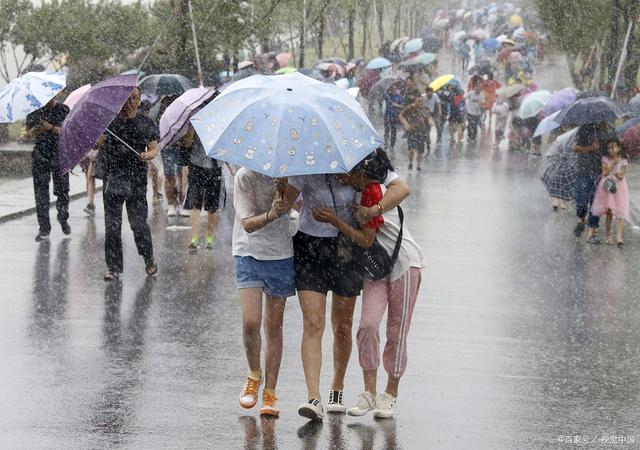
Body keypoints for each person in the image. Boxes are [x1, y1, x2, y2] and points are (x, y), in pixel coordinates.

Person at [283, 166, 410, 421]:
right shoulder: (307, 162)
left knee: (342, 325)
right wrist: (280, 190)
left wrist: (372, 210)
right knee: (313, 322)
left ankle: (337, 386)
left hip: (347, 248)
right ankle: (313, 397)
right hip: (311, 246)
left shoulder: (357, 162)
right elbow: (286, 204)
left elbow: (399, 188)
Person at [312, 151, 424, 419]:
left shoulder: (374, 191)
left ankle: (390, 394)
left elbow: (364, 239)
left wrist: (340, 220)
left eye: (346, 172)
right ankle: (368, 393)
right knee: (368, 326)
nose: (340, 176)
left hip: (404, 265)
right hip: (376, 268)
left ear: (361, 172)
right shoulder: (358, 190)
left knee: (396, 332)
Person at [233, 169, 293, 417]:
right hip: (248, 252)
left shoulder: (294, 175)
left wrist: (286, 190)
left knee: (273, 326)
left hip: (280, 255)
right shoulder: (245, 176)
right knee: (251, 322)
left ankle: (270, 391)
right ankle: (253, 373)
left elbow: (302, 205)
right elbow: (247, 224)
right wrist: (271, 213)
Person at [99, 88, 159, 280]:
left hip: (136, 181)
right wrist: (99, 136)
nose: (129, 102)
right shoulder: (109, 121)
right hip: (113, 179)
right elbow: (98, 144)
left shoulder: (145, 122)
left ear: (139, 99)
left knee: (139, 225)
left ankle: (148, 258)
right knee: (112, 226)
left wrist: (147, 155)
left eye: (133, 98)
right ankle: (113, 267)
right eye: (126, 98)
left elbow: (153, 148)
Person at [25, 97, 71, 241]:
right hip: (40, 156)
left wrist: (50, 127)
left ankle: (63, 218)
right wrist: (35, 130)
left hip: (60, 155)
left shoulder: (63, 109)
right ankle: (44, 228)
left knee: (62, 190)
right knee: (40, 194)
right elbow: (28, 134)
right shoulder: (34, 112)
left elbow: (68, 131)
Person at [180, 125, 222, 250]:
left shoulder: (199, 120)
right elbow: (186, 144)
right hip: (198, 166)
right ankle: (195, 239)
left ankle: (208, 239)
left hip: (213, 166)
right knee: (197, 205)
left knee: (211, 207)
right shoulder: (196, 121)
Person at [573, 122, 616, 244]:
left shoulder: (611, 130)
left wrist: (614, 158)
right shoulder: (585, 128)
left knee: (596, 203)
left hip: (600, 173)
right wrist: (589, 148)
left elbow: (616, 149)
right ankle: (581, 220)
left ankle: (592, 232)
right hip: (583, 171)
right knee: (581, 202)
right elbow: (575, 147)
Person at [591, 138, 629, 247]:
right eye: (609, 148)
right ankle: (608, 235)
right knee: (608, 212)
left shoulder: (623, 160)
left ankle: (619, 238)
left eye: (613, 147)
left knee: (620, 211)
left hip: (619, 188)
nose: (610, 150)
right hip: (607, 187)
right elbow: (604, 173)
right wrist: (612, 165)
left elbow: (621, 176)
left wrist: (618, 170)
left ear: (619, 148)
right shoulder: (605, 159)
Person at [541, 128, 578, 210]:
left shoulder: (560, 140)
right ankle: (561, 202)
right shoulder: (569, 139)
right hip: (565, 161)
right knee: (563, 180)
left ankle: (556, 201)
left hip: (558, 160)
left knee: (556, 181)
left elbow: (551, 145)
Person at [399, 92, 430, 170]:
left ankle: (418, 165)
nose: (420, 102)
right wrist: (406, 124)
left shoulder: (424, 109)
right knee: (411, 150)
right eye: (419, 101)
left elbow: (428, 117)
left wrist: (430, 122)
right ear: (415, 100)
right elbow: (401, 115)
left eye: (421, 101)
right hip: (412, 132)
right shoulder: (410, 108)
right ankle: (410, 162)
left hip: (422, 132)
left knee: (420, 151)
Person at [383, 81, 404, 152]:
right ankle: (386, 143)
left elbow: (403, 106)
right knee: (386, 131)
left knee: (394, 131)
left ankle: (392, 145)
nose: (394, 91)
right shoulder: (388, 96)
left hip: (394, 116)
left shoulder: (399, 97)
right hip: (387, 115)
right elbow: (384, 94)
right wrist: (388, 88)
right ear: (391, 90)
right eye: (393, 89)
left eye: (395, 89)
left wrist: (396, 105)